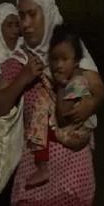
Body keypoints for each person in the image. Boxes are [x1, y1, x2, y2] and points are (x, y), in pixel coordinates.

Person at [0, 0, 104, 206]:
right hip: (36, 159)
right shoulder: (19, 60)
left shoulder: (67, 50)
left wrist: (87, 104)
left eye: (32, 14)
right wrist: (24, 79)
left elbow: (98, 88)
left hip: (73, 162)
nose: (25, 24)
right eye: (21, 16)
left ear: (48, 12)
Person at [25, 22, 98, 190]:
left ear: (76, 60)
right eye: (55, 59)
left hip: (75, 135)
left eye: (64, 59)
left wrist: (60, 86)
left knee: (41, 109)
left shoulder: (77, 80)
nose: (58, 65)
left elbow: (63, 115)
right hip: (78, 132)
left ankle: (42, 168)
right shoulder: (73, 73)